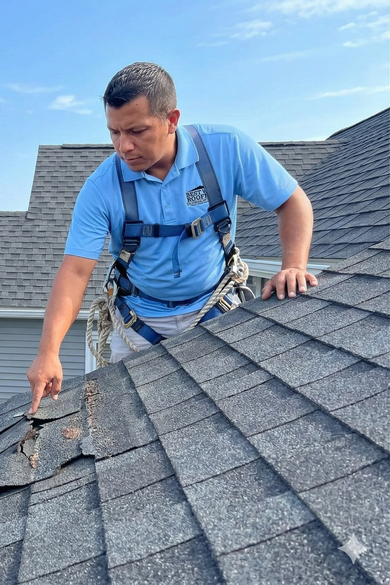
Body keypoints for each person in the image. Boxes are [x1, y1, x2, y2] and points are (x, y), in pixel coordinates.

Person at [27, 62, 317, 414]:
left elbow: (292, 202)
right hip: (140, 324)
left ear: (172, 119)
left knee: (236, 412)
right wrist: (48, 352)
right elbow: (74, 271)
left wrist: (293, 266)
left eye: (136, 130)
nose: (124, 146)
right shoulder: (101, 188)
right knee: (130, 421)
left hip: (216, 309)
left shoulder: (224, 149)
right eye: (114, 133)